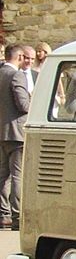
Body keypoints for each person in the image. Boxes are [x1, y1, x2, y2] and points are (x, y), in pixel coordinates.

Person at [0, 45, 30, 230]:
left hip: (2, 131)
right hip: (16, 132)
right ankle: (17, 216)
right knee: (17, 175)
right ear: (19, 56)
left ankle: (3, 215)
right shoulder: (16, 75)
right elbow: (23, 105)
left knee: (3, 176)